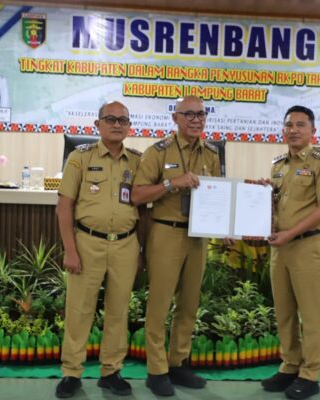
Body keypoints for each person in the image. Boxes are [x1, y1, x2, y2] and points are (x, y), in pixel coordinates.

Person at [131, 95, 221, 397]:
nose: (196, 120)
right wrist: (173, 183)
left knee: (189, 304)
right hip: (165, 233)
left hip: (198, 236)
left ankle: (178, 362)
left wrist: (226, 225)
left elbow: (217, 195)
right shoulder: (158, 152)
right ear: (175, 118)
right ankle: (156, 371)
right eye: (189, 114)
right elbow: (138, 195)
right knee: (159, 305)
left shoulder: (211, 153)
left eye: (201, 115)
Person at [55, 101, 146, 398]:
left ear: (129, 126)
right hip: (87, 243)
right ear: (98, 124)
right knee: (79, 310)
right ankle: (71, 373)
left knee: (118, 310)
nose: (117, 124)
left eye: (123, 120)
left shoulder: (138, 161)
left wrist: (141, 249)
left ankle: (111, 371)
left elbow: (145, 206)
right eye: (110, 119)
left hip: (126, 244)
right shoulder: (80, 157)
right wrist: (70, 250)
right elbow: (64, 207)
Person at [259, 105, 320, 400]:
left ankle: (310, 373)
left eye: (300, 125)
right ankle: (290, 365)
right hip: (281, 248)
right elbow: (277, 207)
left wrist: (290, 234)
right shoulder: (278, 165)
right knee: (284, 312)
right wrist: (261, 197)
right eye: (289, 125)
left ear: (312, 131)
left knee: (310, 313)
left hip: (308, 246)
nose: (293, 130)